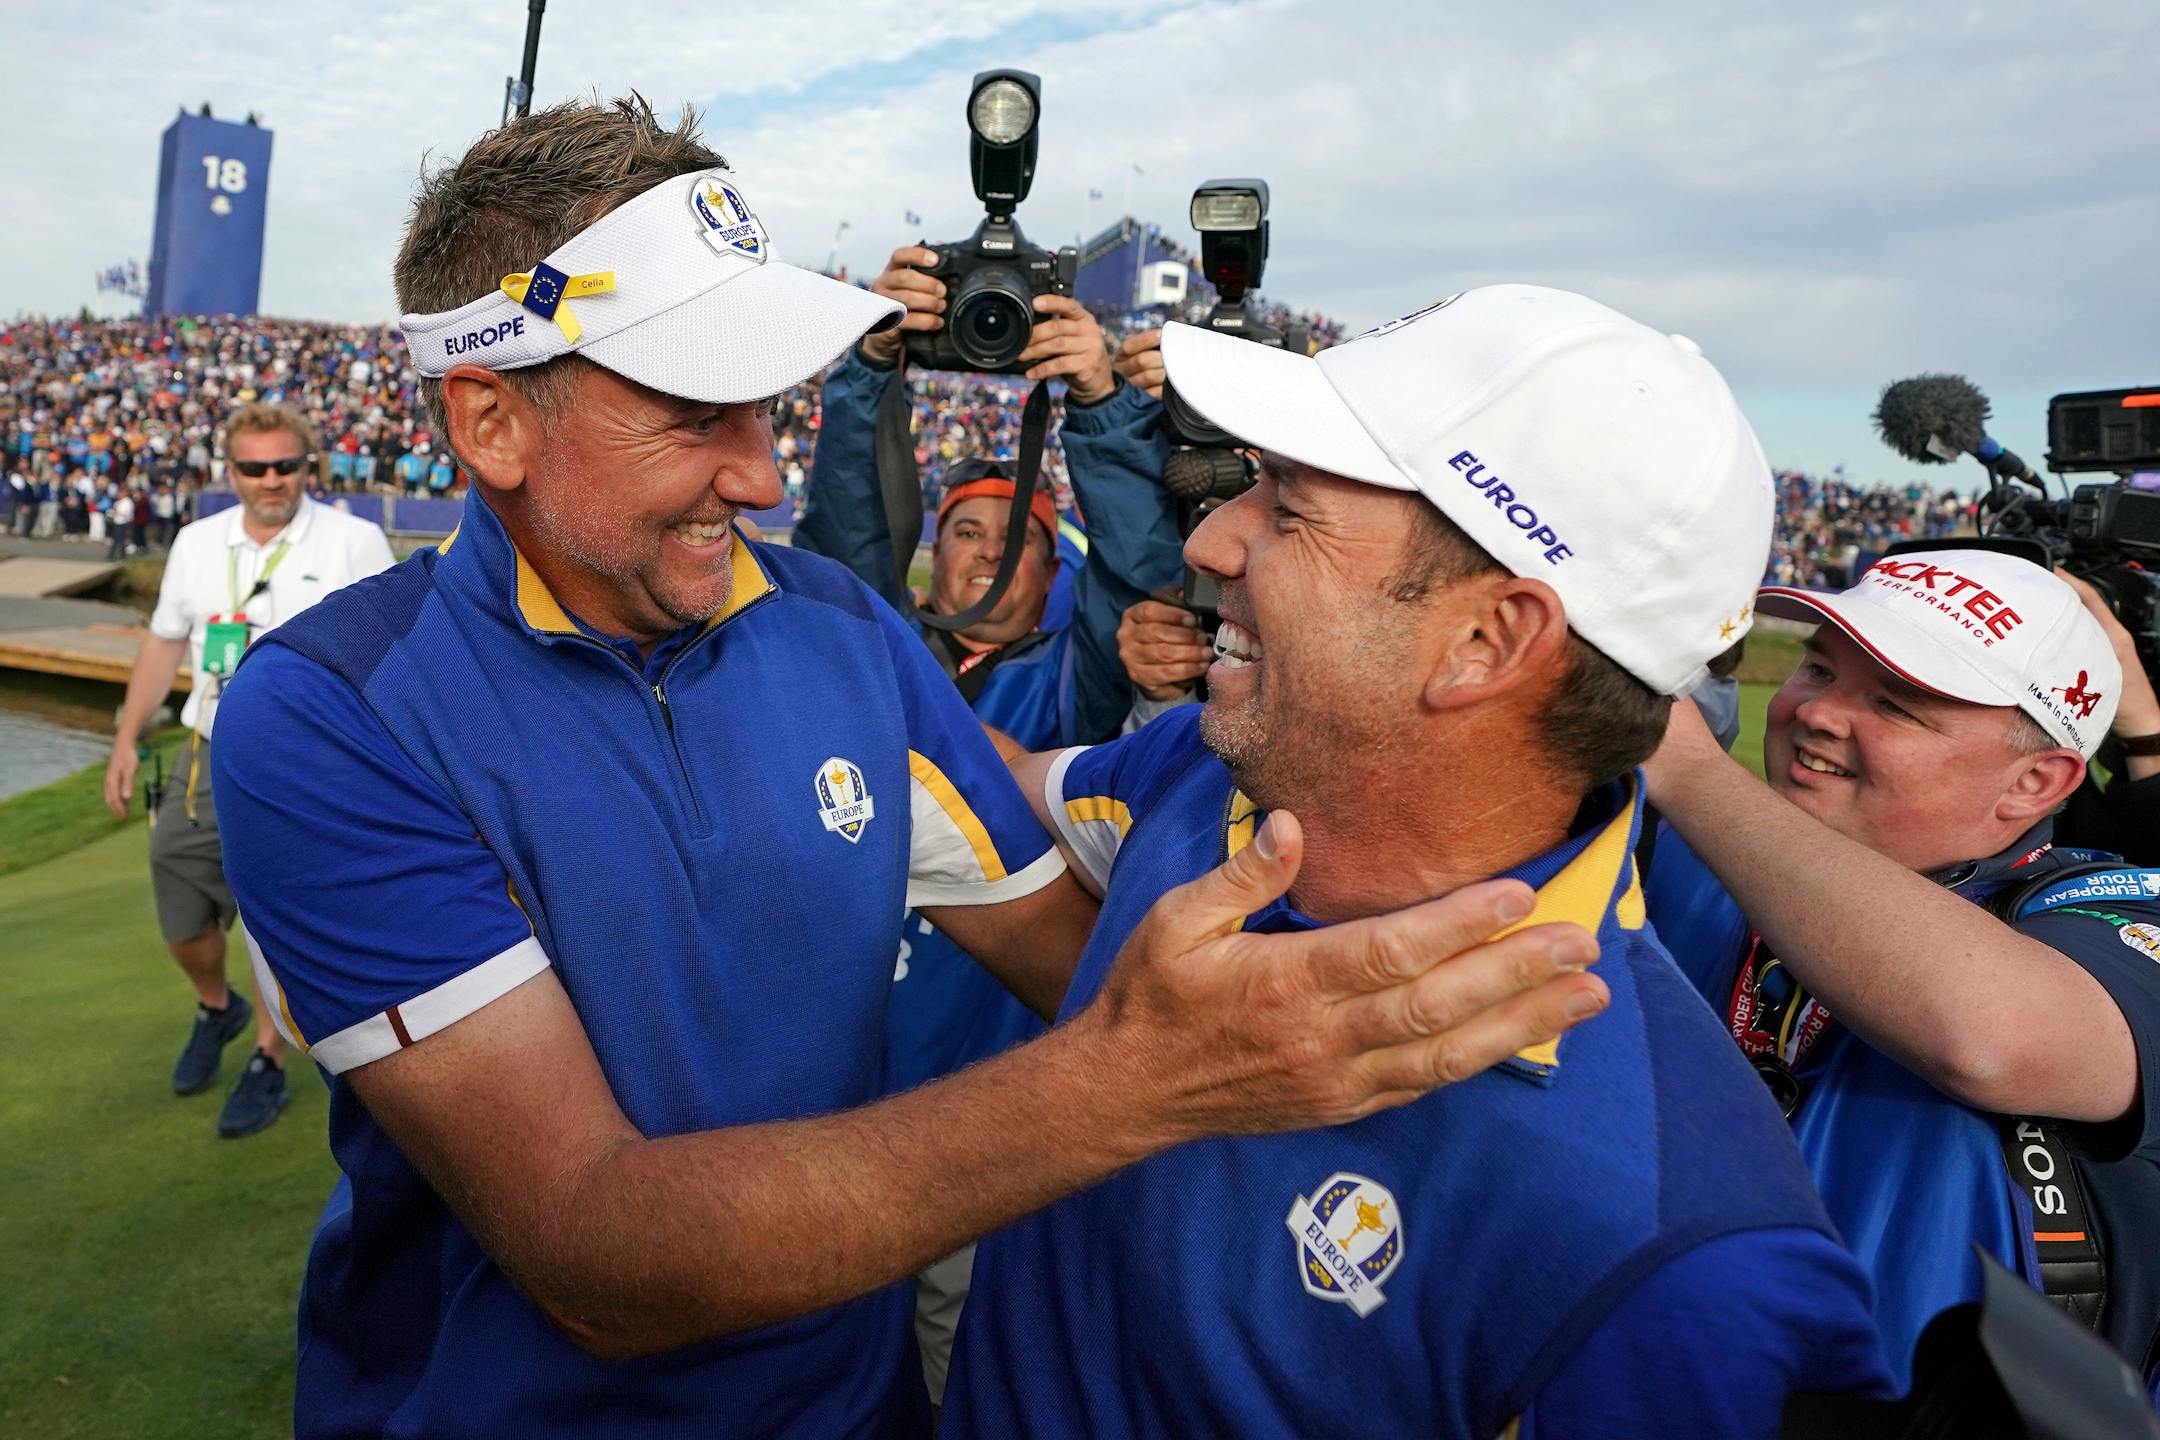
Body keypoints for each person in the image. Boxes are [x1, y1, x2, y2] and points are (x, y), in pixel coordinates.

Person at [208, 99, 1607, 1440]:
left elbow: (1084, 971)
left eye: (768, 409)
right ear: (490, 421)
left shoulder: (840, 630)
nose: (760, 476)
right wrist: (1129, 1085)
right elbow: (594, 1249)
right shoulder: (335, 716)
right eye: (698, 416)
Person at [944, 287, 1893, 1439]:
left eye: (1289, 510)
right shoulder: (1210, 779)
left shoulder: (1677, 1250)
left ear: (1487, 642)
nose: (1210, 540)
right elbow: (985, 781)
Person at [792, 245, 1184, 1400]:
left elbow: (1139, 575)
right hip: (827, 1116)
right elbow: (848, 549)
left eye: (1012, 531)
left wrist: (1102, 408)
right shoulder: (880, 657)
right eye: (964, 529)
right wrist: (870, 369)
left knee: (961, 1383)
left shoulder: (1075, 688)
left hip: (986, 1130)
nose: (985, 551)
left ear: (1047, 562)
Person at [1639, 546, 2160, 1389]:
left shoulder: (2117, 910)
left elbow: (1990, 1036)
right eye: (1817, 667)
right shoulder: (1703, 855)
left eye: (1896, 704)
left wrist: (1692, 773)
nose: (1816, 712)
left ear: (2035, 781)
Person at [102, 400, 395, 1137]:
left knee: (273, 916)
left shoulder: (355, 541)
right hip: (206, 745)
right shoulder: (197, 542)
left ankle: (268, 1058)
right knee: (179, 897)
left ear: (309, 467)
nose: (271, 480)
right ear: (228, 470)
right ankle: (215, 1005)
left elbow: (393, 655)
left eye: (286, 465)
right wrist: (126, 737)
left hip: (306, 755)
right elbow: (166, 643)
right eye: (255, 467)